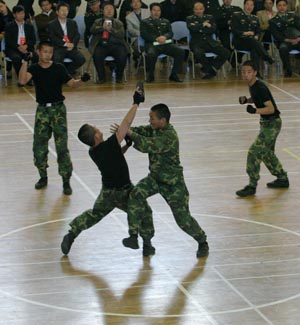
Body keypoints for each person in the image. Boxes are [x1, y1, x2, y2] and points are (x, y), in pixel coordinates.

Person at [60, 85, 156, 257]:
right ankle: (147, 244)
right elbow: (126, 124)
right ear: (96, 136)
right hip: (125, 191)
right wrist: (136, 103)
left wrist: (126, 146)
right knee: (145, 211)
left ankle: (71, 234)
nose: (98, 128)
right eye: (95, 128)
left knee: (94, 214)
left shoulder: (95, 152)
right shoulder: (110, 145)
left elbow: (115, 157)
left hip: (108, 193)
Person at [121, 103, 209, 258]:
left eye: (152, 118)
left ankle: (202, 241)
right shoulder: (154, 129)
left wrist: (130, 134)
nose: (150, 121)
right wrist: (125, 131)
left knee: (183, 220)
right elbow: (138, 131)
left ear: (163, 120)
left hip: (173, 184)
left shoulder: (169, 136)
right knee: (136, 195)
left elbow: (147, 145)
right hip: (155, 179)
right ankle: (138, 239)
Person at [18, 41, 91, 195]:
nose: (47, 54)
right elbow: (22, 81)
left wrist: (82, 80)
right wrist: (24, 61)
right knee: (39, 145)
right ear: (38, 52)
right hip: (42, 110)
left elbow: (72, 84)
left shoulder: (58, 68)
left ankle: (66, 181)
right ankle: (43, 176)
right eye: (44, 51)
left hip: (58, 110)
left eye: (50, 52)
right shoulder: (34, 69)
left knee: (62, 147)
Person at [236, 60, 289, 197]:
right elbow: (257, 98)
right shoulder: (253, 85)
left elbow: (270, 109)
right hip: (267, 124)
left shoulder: (259, 87)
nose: (246, 75)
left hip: (272, 124)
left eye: (249, 72)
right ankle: (282, 178)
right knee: (266, 153)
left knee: (254, 152)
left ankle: (252, 186)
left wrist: (255, 111)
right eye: (243, 72)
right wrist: (247, 100)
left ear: (255, 73)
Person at [140, 2, 185, 83]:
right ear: (150, 11)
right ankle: (150, 75)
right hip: (152, 44)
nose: (156, 12)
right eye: (154, 10)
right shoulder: (144, 22)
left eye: (158, 10)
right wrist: (156, 38)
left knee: (180, 52)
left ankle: (174, 75)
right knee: (151, 54)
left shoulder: (166, 21)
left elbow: (170, 33)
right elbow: (144, 34)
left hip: (165, 44)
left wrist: (165, 37)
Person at [187, 1, 230, 79]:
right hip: (197, 43)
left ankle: (212, 68)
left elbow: (213, 29)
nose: (199, 11)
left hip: (210, 42)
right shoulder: (189, 18)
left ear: (204, 9)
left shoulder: (210, 17)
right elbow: (192, 29)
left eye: (200, 9)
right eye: (196, 9)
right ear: (193, 10)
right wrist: (204, 25)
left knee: (226, 53)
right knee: (198, 53)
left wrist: (198, 27)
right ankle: (210, 70)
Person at [231, 0, 274, 78]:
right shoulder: (236, 15)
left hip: (252, 43)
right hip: (239, 41)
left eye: (251, 5)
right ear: (244, 5)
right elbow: (234, 30)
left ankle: (256, 74)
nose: (249, 7)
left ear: (254, 7)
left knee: (255, 50)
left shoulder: (255, 17)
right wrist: (245, 33)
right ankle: (266, 57)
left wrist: (257, 35)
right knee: (254, 42)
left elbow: (258, 30)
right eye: (247, 4)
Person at [89, 3, 129, 83]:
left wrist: (111, 30)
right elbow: (92, 30)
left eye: (111, 9)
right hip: (101, 45)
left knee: (123, 55)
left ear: (114, 12)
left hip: (116, 45)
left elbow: (121, 35)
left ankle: (119, 77)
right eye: (107, 9)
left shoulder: (119, 23)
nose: (109, 11)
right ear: (103, 11)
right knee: (97, 55)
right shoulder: (97, 21)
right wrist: (102, 28)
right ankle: (101, 77)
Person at [48, 2, 86, 76]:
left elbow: (77, 35)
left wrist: (73, 44)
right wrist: (65, 44)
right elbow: (52, 38)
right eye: (62, 10)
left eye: (66, 10)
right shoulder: (51, 24)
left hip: (71, 47)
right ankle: (61, 75)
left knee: (81, 59)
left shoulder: (72, 22)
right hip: (59, 48)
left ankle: (66, 72)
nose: (64, 12)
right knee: (57, 60)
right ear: (57, 12)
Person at [4, 5, 37, 80]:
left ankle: (30, 77)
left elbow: (33, 40)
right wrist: (18, 47)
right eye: (19, 13)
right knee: (16, 58)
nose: (21, 15)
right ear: (14, 14)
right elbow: (8, 41)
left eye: (23, 13)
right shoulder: (9, 26)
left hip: (27, 48)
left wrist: (26, 46)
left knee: (36, 56)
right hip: (13, 49)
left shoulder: (29, 26)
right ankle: (22, 78)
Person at [269, 0, 300, 77]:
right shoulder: (273, 21)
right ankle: (288, 70)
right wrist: (290, 40)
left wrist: (298, 39)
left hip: (298, 40)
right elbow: (277, 36)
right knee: (283, 48)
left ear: (287, 6)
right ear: (276, 7)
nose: (282, 7)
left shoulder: (294, 16)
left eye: (284, 5)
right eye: (279, 5)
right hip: (285, 42)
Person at [126, 0, 149, 65]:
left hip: (149, 36)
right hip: (136, 37)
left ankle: (145, 60)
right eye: (134, 2)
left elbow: (151, 24)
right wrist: (142, 33)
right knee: (138, 46)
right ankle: (138, 57)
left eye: (137, 2)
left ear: (141, 4)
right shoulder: (128, 17)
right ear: (131, 5)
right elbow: (130, 30)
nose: (136, 3)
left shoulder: (148, 12)